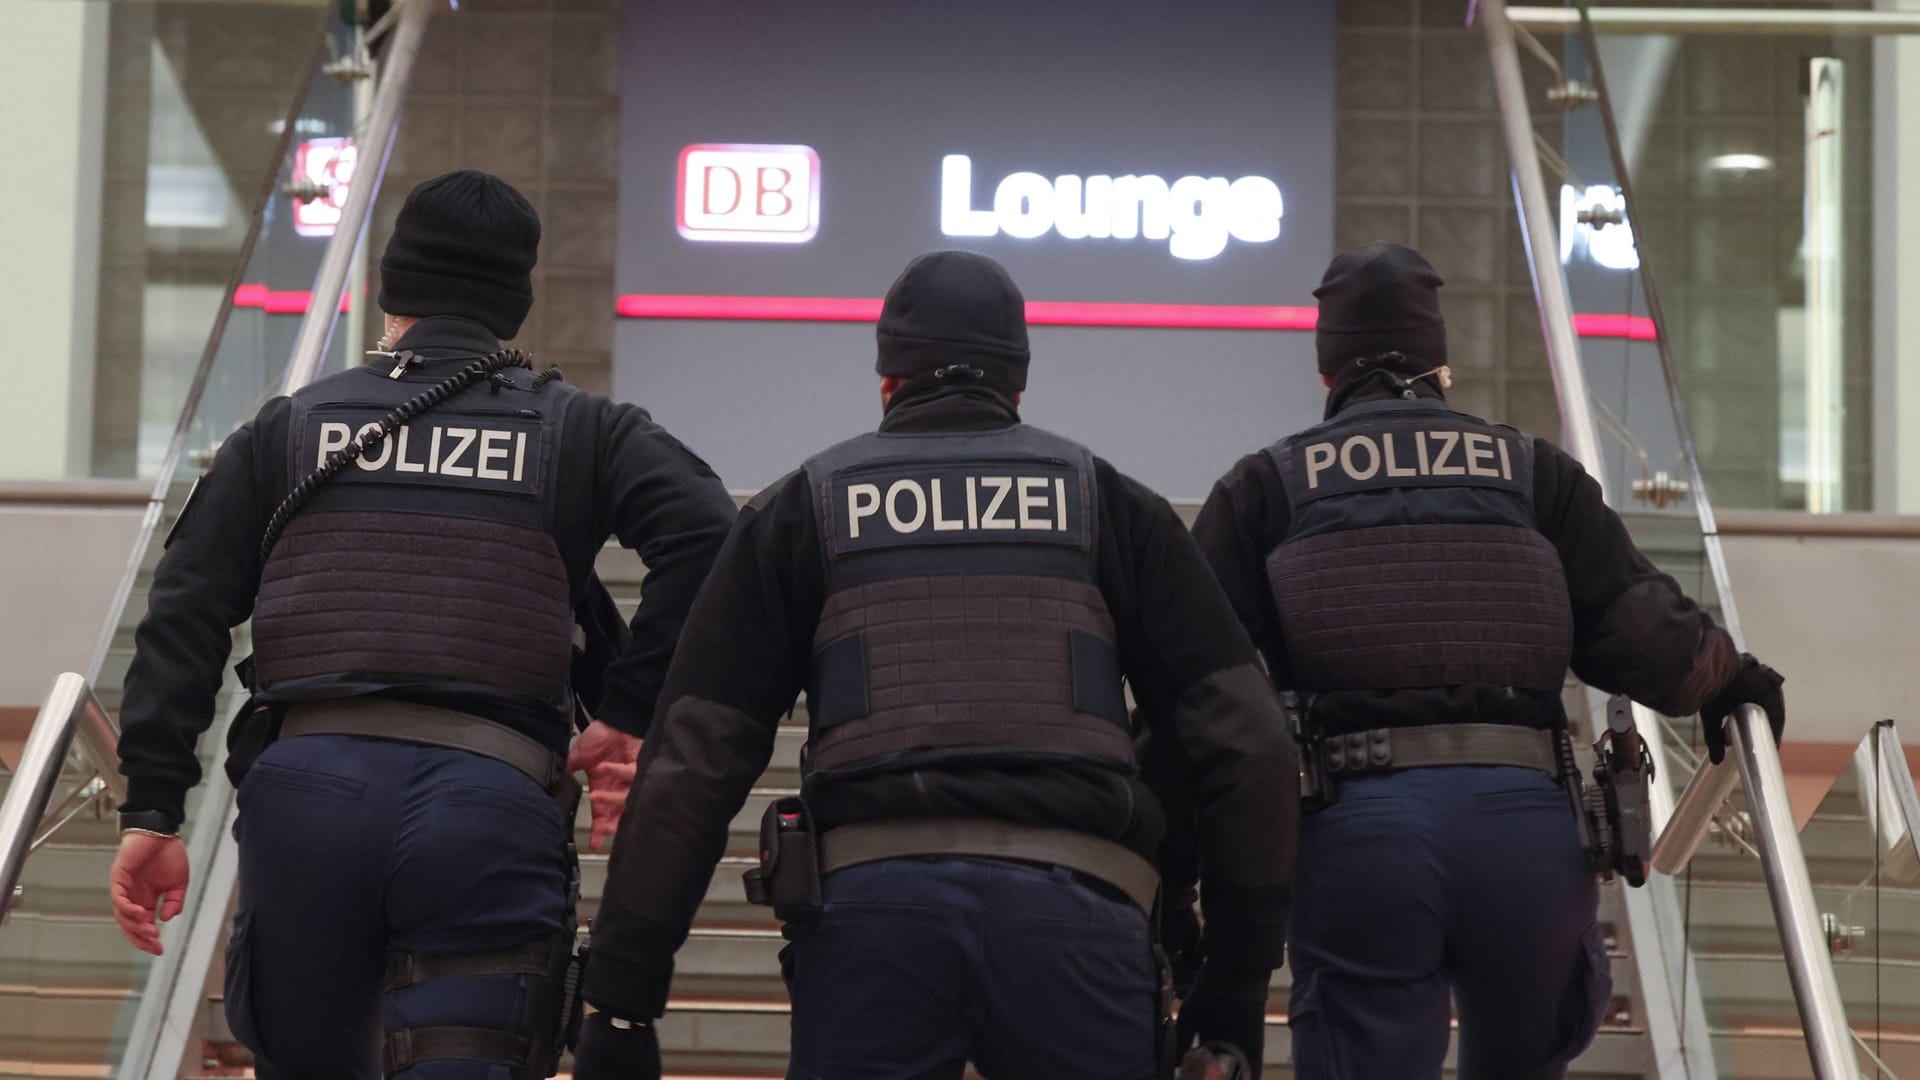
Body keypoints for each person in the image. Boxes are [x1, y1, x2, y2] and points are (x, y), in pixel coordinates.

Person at [570, 250, 1298, 1080]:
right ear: (1019, 385)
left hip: (871, 926)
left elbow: (694, 761)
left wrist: (625, 998)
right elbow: (1251, 747)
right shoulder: (1111, 507)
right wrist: (1232, 990)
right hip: (1081, 921)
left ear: (886, 380)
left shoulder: (802, 510)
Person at [108, 169, 738, 1080]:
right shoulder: (583, 431)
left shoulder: (284, 429)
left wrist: (155, 807)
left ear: (388, 288)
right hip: (487, 802)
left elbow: (184, 613)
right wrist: (628, 709)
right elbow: (714, 541)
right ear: (512, 304)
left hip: (305, 797)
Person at [1190, 242, 1787, 1080]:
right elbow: (1642, 630)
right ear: (1443, 368)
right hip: (1526, 831)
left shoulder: (1266, 488)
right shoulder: (1534, 474)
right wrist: (1732, 679)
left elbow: (1200, 684)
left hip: (1359, 834)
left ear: (1329, 373)